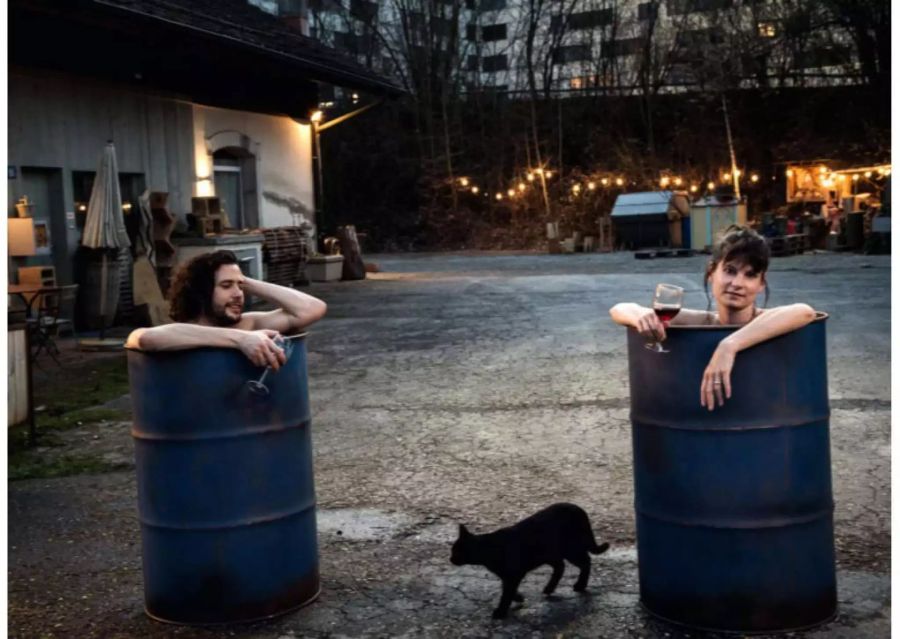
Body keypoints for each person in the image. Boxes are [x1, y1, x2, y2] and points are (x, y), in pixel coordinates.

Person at [609, 225, 816, 411]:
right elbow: (620, 308)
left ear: (761, 284)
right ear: (711, 273)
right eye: (729, 271)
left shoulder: (767, 320)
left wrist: (729, 345)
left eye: (750, 274)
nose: (738, 283)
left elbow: (805, 311)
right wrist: (642, 317)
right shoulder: (705, 321)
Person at [126, 250, 327, 370]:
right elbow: (144, 338)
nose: (239, 293)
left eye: (240, 286)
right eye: (226, 286)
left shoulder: (249, 324)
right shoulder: (183, 332)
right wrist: (241, 340)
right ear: (201, 291)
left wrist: (244, 280)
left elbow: (312, 309)